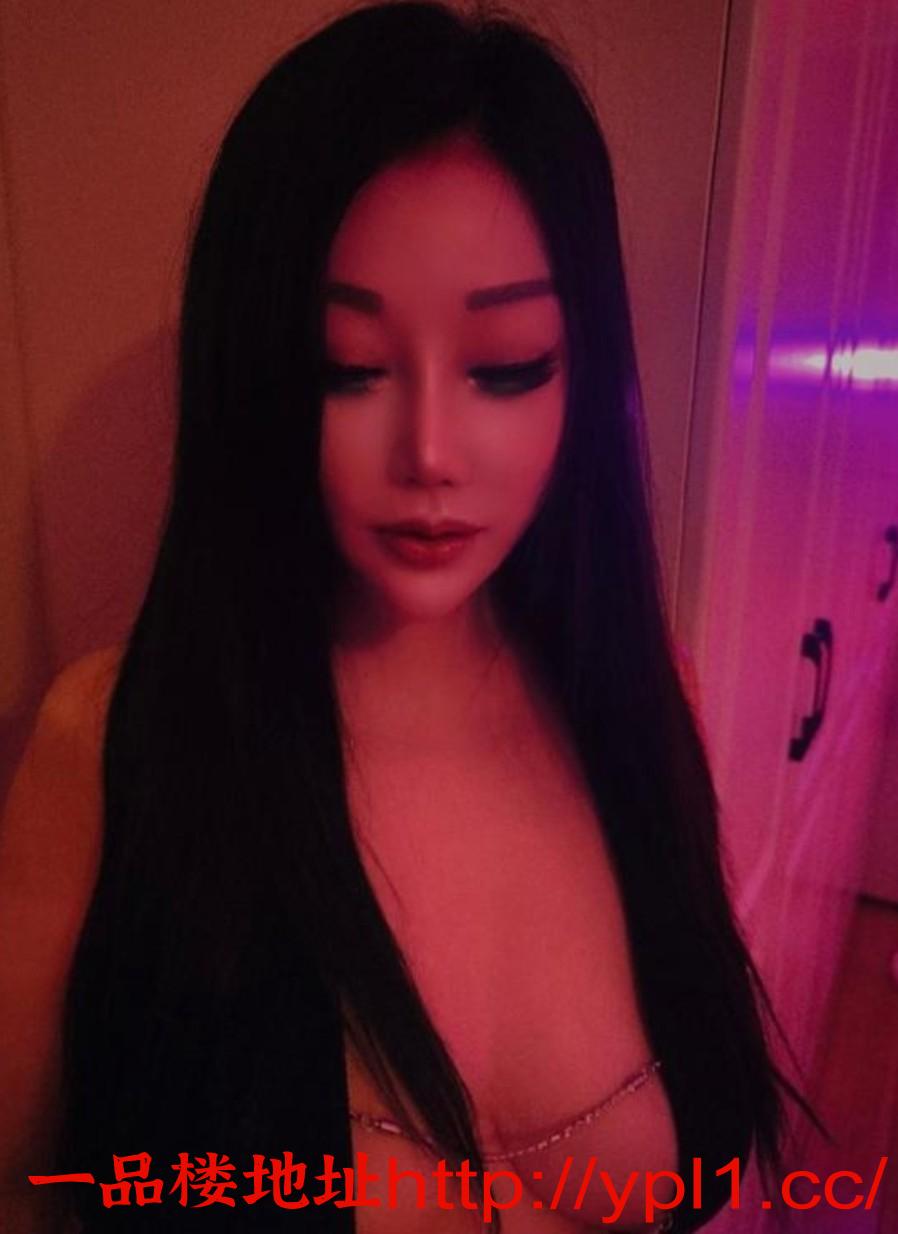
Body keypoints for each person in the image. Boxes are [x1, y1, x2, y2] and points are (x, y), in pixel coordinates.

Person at [0, 2, 824, 1231]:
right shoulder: (114, 743)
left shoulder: (641, 697)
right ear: (254, 375)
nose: (430, 450)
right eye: (347, 367)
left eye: (506, 363)